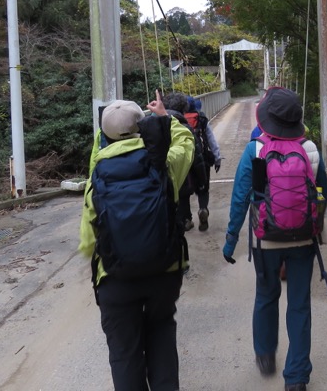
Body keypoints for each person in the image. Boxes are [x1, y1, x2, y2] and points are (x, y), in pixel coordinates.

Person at [78, 96, 195, 391]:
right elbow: (186, 143)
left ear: (103, 137)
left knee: (124, 353)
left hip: (116, 279)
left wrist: (103, 135)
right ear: (142, 128)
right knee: (161, 334)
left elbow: (87, 242)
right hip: (163, 270)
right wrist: (165, 117)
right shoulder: (163, 165)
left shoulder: (98, 177)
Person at [223, 86, 327, 391]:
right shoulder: (309, 148)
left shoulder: (255, 149)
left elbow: (241, 197)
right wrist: (315, 227)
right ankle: (296, 378)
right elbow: (322, 193)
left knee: (266, 296)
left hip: (265, 240)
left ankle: (265, 355)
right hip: (302, 240)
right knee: (299, 304)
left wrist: (230, 241)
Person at [161, 92, 208, 232]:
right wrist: (202, 180)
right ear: (184, 109)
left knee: (177, 197)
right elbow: (197, 156)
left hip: (164, 174)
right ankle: (194, 214)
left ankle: (182, 219)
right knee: (184, 191)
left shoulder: (155, 124)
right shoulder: (185, 127)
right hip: (185, 172)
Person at [188, 97, 223, 231]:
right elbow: (211, 140)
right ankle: (203, 208)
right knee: (203, 187)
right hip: (202, 159)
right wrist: (217, 158)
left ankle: (186, 218)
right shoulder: (202, 119)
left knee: (184, 191)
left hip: (185, 159)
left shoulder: (176, 119)